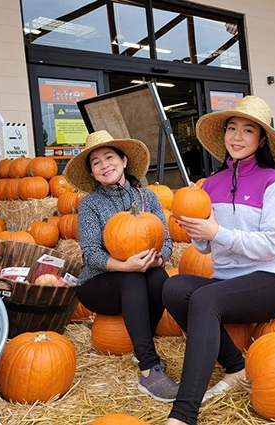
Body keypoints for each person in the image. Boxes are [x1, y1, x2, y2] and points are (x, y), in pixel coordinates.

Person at [162, 96, 275, 425]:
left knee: (205, 298)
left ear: (261, 139)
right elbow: (207, 249)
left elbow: (272, 245)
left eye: (247, 131)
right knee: (174, 288)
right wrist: (196, 231)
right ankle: (236, 367)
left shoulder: (274, 183)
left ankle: (182, 414)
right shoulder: (212, 184)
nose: (237, 137)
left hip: (268, 279)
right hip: (227, 280)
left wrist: (216, 230)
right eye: (231, 128)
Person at [63, 130, 178, 403]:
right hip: (98, 284)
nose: (104, 165)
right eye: (96, 162)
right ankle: (149, 370)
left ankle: (142, 343)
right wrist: (126, 266)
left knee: (159, 277)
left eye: (109, 157)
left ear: (124, 161)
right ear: (92, 173)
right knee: (133, 279)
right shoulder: (90, 205)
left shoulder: (147, 198)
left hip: (142, 275)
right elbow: (90, 254)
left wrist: (157, 258)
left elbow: (168, 242)